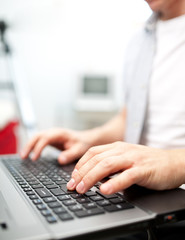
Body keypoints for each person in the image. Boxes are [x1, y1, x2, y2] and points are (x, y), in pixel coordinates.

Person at [21, 0, 185, 238]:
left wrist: (175, 161)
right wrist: (88, 138)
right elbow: (128, 119)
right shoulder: (139, 42)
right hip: (138, 199)